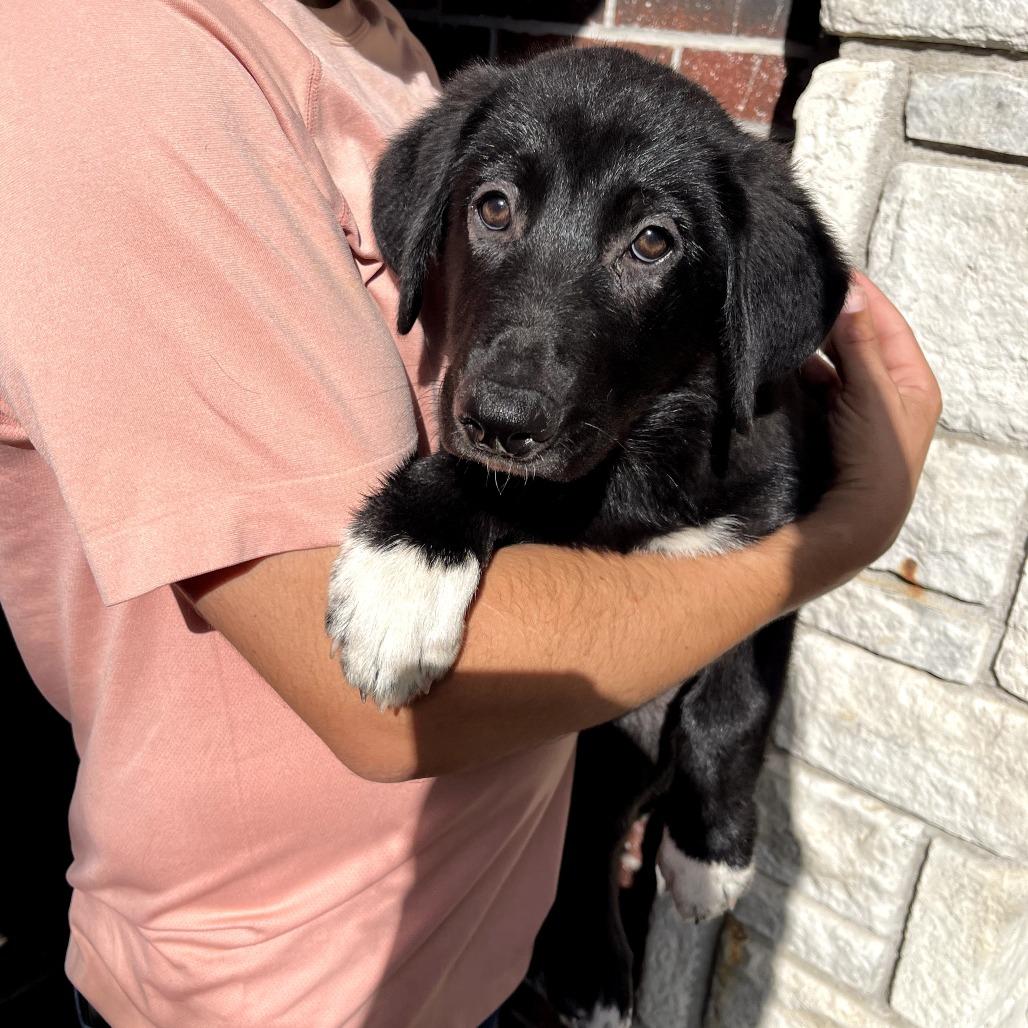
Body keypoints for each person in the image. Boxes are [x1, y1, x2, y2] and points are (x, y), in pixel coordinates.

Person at [0, 1, 941, 1026]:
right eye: (495, 209)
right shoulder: (102, 59)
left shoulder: (384, 44)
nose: (502, 383)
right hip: (269, 990)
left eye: (651, 240)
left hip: (487, 943)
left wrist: (717, 744)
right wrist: (840, 536)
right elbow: (382, 699)